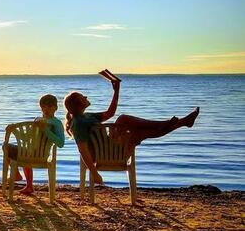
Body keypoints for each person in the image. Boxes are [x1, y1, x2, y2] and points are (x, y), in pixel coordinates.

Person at [64, 69, 199, 186]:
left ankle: (180, 123)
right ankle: (172, 123)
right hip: (110, 154)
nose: (86, 96)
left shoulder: (87, 116)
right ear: (79, 104)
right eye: (82, 97)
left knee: (135, 128)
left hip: (112, 148)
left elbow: (110, 113)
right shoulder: (79, 123)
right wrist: (95, 173)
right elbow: (83, 150)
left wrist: (116, 91)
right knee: (127, 122)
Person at [4, 94, 65, 195]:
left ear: (56, 108)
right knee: (7, 147)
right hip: (28, 153)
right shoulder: (37, 120)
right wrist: (14, 130)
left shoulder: (56, 123)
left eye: (50, 106)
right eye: (44, 106)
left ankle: (17, 175)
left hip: (42, 156)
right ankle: (28, 185)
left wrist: (45, 129)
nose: (46, 109)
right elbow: (26, 139)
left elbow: (60, 143)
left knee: (9, 148)